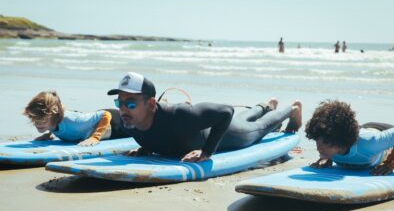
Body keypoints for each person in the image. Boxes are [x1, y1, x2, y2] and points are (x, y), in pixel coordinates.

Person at [108, 72, 302, 163]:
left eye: (130, 103)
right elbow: (157, 135)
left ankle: (291, 109)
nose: (123, 109)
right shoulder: (129, 123)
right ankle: (266, 105)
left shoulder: (180, 116)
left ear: (151, 104)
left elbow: (226, 111)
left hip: (229, 135)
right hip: (214, 125)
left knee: (258, 127)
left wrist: (207, 152)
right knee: (246, 118)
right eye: (120, 103)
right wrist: (147, 147)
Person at [305, 100, 394, 175]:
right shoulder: (330, 140)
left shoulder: (370, 144)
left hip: (379, 130)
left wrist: (390, 163)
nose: (318, 148)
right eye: (317, 141)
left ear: (339, 141)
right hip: (357, 130)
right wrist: (327, 157)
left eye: (325, 143)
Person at [23, 91, 129, 146]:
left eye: (42, 121)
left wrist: (95, 138)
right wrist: (49, 134)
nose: (38, 124)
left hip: (117, 123)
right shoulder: (51, 121)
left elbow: (105, 115)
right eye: (34, 120)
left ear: (53, 115)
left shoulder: (74, 121)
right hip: (91, 124)